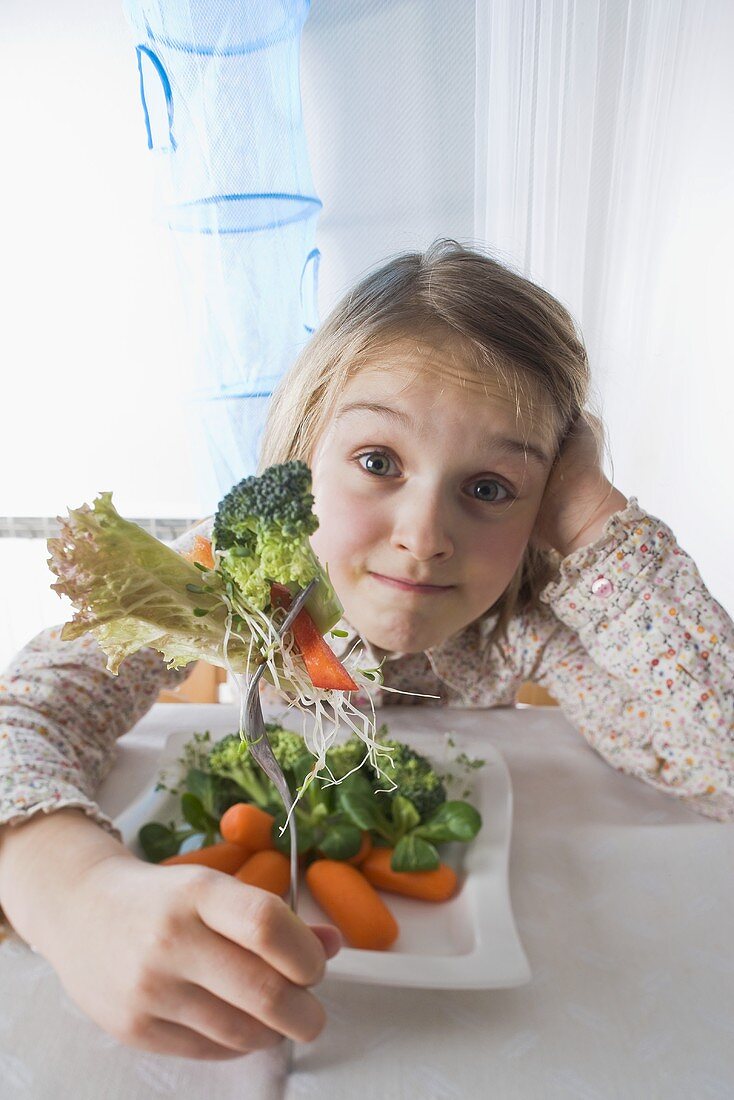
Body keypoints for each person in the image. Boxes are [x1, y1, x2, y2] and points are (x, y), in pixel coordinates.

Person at [1, 241, 732, 1061]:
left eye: (489, 488)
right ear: (303, 453)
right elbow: (24, 712)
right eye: (378, 462)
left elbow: (721, 758)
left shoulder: (524, 617)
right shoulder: (243, 571)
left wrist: (594, 515)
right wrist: (71, 889)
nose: (423, 539)